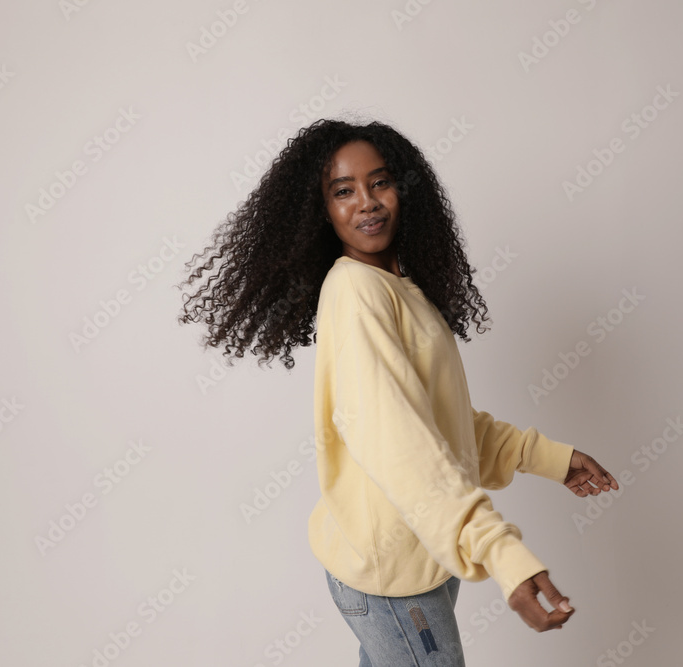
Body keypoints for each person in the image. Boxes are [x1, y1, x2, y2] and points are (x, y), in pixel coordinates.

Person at [177, 117, 618, 666]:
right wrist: (503, 553)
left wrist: (549, 457)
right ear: (321, 211)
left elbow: (442, 424)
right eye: (343, 191)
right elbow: (401, 444)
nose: (367, 202)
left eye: (379, 182)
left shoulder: (399, 288)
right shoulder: (357, 293)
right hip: (390, 578)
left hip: (422, 556)